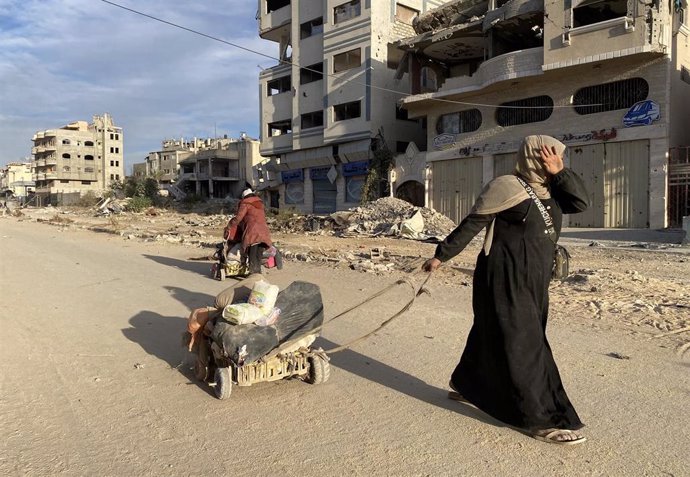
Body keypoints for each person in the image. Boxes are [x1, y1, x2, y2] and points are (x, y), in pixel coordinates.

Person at [422, 135, 590, 445]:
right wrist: (441, 256)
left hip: (536, 279)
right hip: (503, 277)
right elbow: (471, 225)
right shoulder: (505, 186)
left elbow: (581, 202)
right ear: (533, 157)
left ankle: (467, 383)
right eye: (550, 156)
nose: (555, 160)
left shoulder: (551, 188)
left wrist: (559, 173)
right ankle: (540, 419)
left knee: (494, 331)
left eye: (558, 157)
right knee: (525, 344)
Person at [224, 188, 274, 274]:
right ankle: (257, 273)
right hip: (264, 231)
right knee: (258, 255)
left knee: (252, 255)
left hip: (252, 232)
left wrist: (229, 225)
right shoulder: (260, 203)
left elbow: (239, 218)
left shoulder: (245, 203)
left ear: (244, 197)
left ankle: (252, 274)